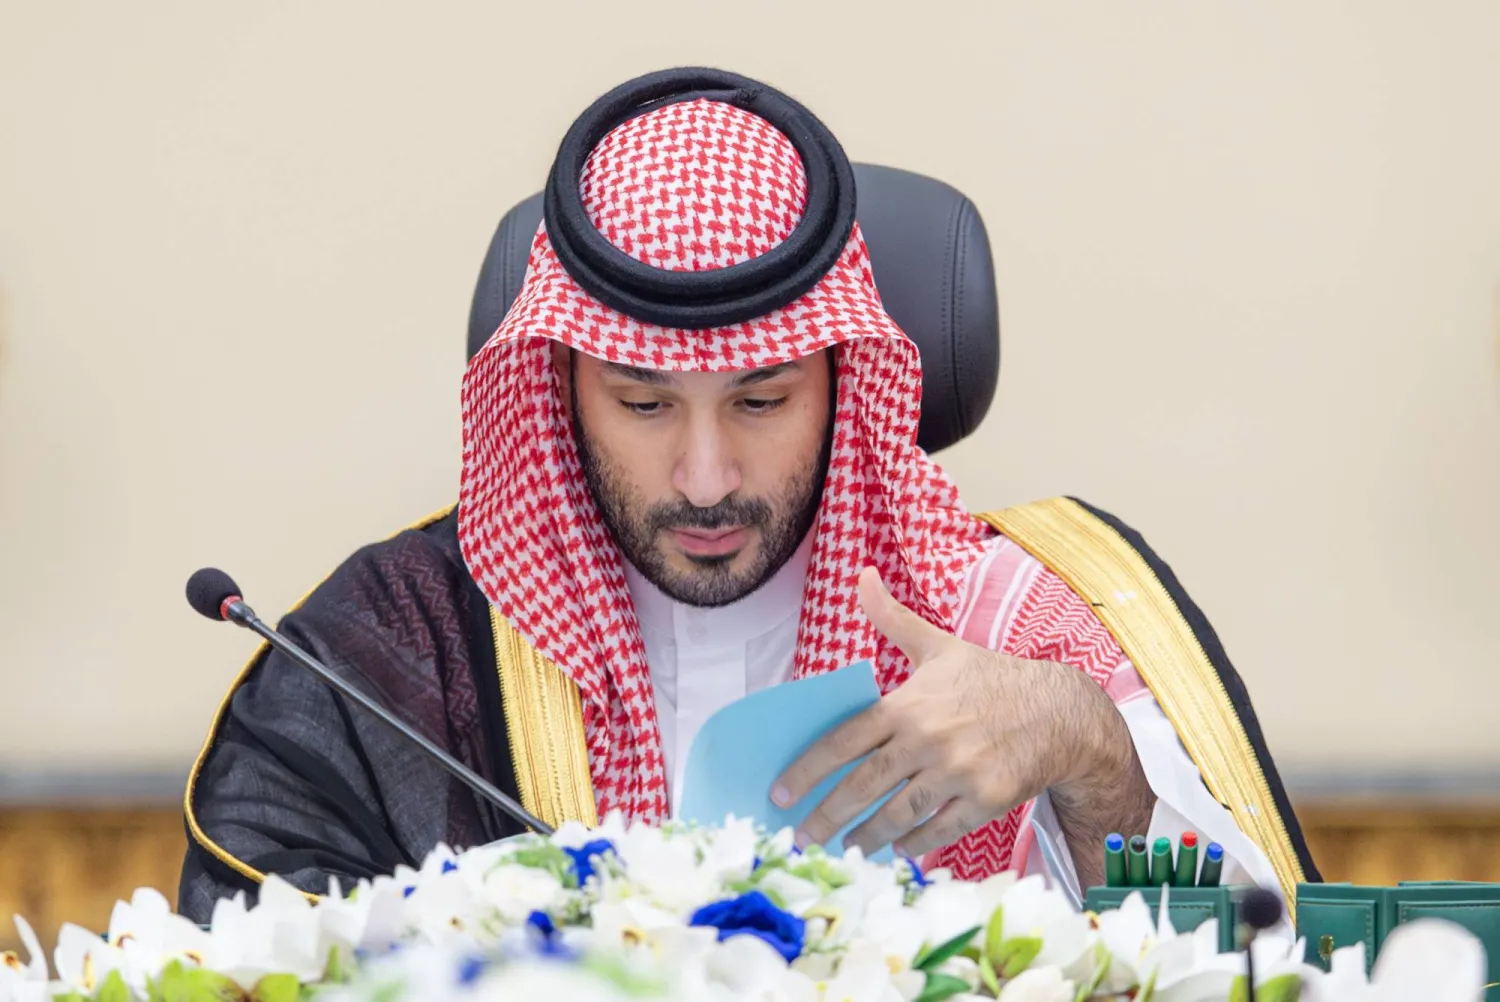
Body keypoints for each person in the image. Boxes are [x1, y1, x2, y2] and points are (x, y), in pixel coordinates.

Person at [179, 68, 1319, 924]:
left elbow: (1264, 956)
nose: (707, 477)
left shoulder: (1016, 617)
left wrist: (1089, 756)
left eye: (762, 402)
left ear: (846, 379)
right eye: (644, 404)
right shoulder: (391, 654)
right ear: (560, 386)